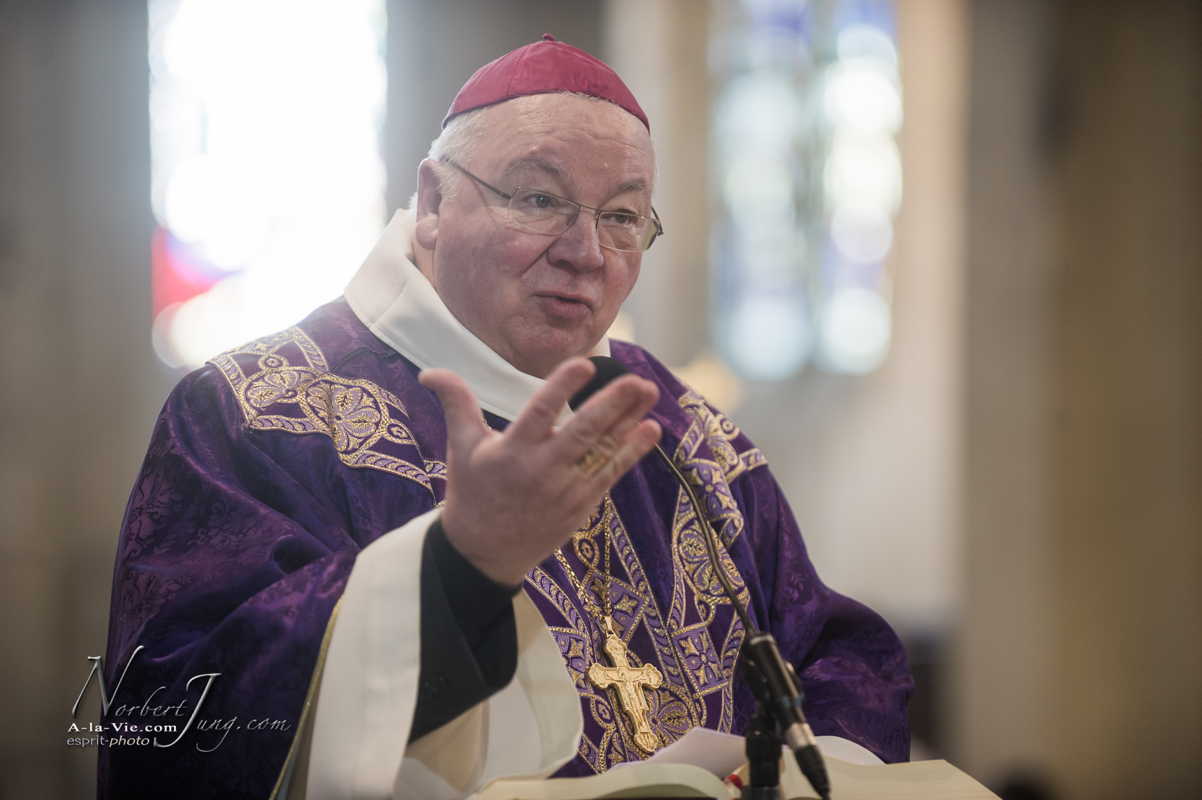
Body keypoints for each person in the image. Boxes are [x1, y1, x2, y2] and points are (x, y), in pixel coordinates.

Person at [99, 35, 911, 800]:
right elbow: (177, 726)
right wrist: (457, 569)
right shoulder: (255, 414)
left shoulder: (680, 432)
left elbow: (832, 651)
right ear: (431, 203)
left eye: (624, 216)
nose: (586, 252)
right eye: (537, 198)